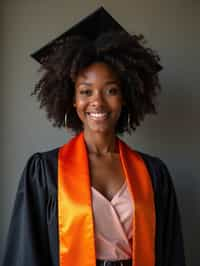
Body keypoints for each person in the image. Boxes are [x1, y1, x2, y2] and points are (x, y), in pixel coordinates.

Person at [1, 6, 186, 266]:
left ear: (125, 98)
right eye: (86, 92)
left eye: (110, 90)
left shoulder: (154, 173)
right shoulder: (45, 171)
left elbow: (169, 252)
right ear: (72, 100)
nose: (97, 102)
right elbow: (27, 254)